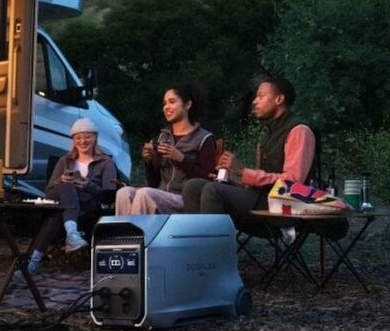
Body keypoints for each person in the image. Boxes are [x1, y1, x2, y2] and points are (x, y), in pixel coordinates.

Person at [182, 76, 315, 222]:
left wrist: (243, 171)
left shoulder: (298, 130)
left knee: (213, 191)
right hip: (260, 197)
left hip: (283, 204)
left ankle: (213, 243)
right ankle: (196, 241)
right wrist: (233, 177)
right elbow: (261, 180)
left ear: (279, 99)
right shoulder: (269, 133)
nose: (254, 102)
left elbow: (292, 182)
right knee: (193, 186)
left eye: (261, 96)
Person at [26, 117, 117, 274]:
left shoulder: (105, 162)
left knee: (55, 215)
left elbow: (109, 195)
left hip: (86, 207)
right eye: (78, 137)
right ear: (73, 140)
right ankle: (72, 234)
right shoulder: (65, 161)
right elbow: (49, 191)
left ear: (95, 138)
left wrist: (88, 185)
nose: (83, 141)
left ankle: (33, 261)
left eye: (87, 136)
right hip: (59, 199)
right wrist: (61, 181)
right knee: (65, 183)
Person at [115, 83, 216, 215]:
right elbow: (154, 182)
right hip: (161, 194)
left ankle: (140, 235)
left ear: (187, 105)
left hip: (185, 200)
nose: (166, 107)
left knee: (146, 194)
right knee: (124, 193)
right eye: (164, 103)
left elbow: (208, 181)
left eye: (172, 102)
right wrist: (149, 161)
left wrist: (181, 158)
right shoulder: (162, 138)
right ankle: (123, 235)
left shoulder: (204, 138)